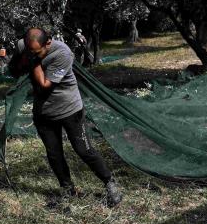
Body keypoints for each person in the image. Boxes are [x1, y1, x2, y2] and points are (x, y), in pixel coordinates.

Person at [8, 27, 122, 207]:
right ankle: (67, 188)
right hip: (43, 113)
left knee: (84, 150)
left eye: (36, 52)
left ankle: (109, 182)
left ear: (48, 42)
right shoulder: (26, 47)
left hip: (70, 110)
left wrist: (32, 62)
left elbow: (45, 85)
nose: (32, 54)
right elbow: (13, 70)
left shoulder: (63, 53)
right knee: (54, 154)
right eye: (29, 50)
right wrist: (21, 60)